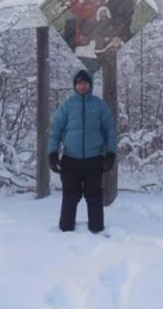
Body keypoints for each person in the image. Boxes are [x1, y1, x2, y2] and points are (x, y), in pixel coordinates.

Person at [47, 69, 117, 233]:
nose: (82, 86)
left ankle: (97, 230)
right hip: (71, 159)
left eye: (85, 83)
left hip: (94, 159)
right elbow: (56, 130)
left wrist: (110, 154)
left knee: (94, 196)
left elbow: (110, 130)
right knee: (70, 195)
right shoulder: (67, 105)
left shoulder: (99, 105)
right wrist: (52, 154)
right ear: (75, 85)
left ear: (90, 85)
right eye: (79, 83)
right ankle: (65, 231)